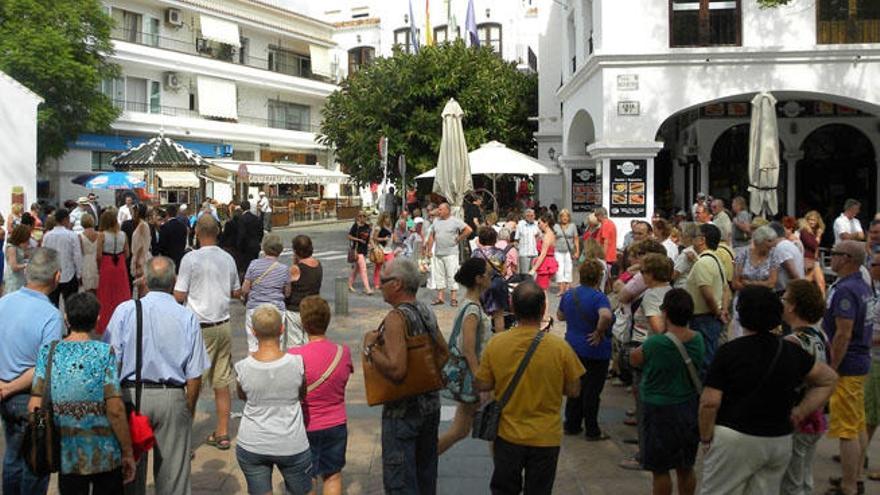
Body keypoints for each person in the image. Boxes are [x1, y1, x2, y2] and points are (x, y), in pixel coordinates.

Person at [698, 285, 837, 494]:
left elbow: (710, 402)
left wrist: (706, 436)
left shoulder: (730, 352)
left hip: (736, 435)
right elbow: (828, 379)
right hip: (778, 438)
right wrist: (800, 412)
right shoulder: (790, 350)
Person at [104, 256, 210, 495]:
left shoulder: (125, 310)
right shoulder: (187, 316)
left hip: (132, 396)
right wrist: (188, 408)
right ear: (174, 281)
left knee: (130, 471)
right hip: (171, 396)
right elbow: (195, 374)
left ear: (146, 281)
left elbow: (110, 361)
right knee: (174, 476)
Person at [476, 281, 585, 494]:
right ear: (543, 309)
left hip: (507, 435)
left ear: (512, 308)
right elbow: (574, 390)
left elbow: (483, 383)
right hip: (546, 437)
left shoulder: (496, 344)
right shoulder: (560, 348)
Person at [28, 292, 136, 492]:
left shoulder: (48, 352)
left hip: (68, 455)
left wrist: (42, 434)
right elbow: (115, 409)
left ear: (66, 319)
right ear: (97, 319)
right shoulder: (104, 352)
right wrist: (128, 451)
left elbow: (34, 406)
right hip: (106, 455)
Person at [362, 259, 450, 494]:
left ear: (397, 284)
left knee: (401, 482)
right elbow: (443, 352)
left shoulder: (395, 318)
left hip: (402, 413)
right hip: (430, 406)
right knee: (425, 478)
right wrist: (424, 379)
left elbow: (397, 369)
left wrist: (370, 348)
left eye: (383, 281)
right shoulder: (425, 309)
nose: (378, 284)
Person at [174, 215, 241, 452]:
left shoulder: (190, 259)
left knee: (192, 382)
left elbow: (180, 295)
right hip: (222, 323)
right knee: (222, 381)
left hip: (198, 326)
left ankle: (184, 440)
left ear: (197, 232)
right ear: (217, 232)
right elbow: (235, 291)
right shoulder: (227, 258)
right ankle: (223, 433)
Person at [0, 248, 63, 495]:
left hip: (5, 395)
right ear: (57, 277)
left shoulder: (4, 302)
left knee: (13, 456)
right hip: (32, 399)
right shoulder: (51, 315)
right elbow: (45, 365)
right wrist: (11, 387)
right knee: (38, 460)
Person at [630, 289, 704, 495]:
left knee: (660, 469)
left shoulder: (656, 343)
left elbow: (635, 358)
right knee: (685, 466)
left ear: (666, 313)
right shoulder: (697, 339)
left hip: (658, 409)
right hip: (688, 407)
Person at [235, 304, 312, 494]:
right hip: (291, 442)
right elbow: (302, 394)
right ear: (282, 329)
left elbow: (242, 395)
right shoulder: (297, 363)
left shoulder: (242, 367)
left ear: (253, 332)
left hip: (252, 442)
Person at [288, 296, 353, 495]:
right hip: (336, 423)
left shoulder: (293, 355)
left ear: (303, 323)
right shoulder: (344, 352)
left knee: (306, 478)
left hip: (305, 424)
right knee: (332, 475)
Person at [825, 240, 874, 495]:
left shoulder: (846, 290)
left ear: (846, 258)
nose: (830, 257)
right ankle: (855, 476)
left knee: (847, 429)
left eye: (834, 254)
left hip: (847, 366)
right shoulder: (861, 286)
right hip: (860, 360)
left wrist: (832, 367)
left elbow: (843, 334)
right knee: (856, 423)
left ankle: (848, 486)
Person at [778, 280, 831, 495]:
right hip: (816, 413)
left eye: (784, 299)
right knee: (804, 477)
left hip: (798, 415)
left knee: (791, 482)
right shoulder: (820, 335)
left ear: (792, 306)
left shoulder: (793, 341)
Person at [438, 258, 493, 454]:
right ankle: (423, 461)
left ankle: (424, 461)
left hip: (473, 375)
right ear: (479, 279)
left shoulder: (471, 304)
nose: (491, 277)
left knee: (460, 430)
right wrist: (480, 378)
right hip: (473, 376)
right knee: (468, 429)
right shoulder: (472, 309)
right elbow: (468, 348)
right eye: (488, 274)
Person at [557, 259, 613, 440]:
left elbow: (560, 315)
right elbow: (605, 315)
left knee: (575, 386)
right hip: (595, 348)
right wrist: (599, 331)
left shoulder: (570, 295)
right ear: (599, 277)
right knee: (592, 390)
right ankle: (592, 429)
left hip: (573, 345)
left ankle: (571, 424)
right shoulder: (599, 297)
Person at [685, 223, 729, 373]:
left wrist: (717, 312)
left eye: (695, 236)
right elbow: (725, 288)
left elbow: (707, 293)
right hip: (711, 317)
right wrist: (722, 310)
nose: (692, 240)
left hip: (703, 318)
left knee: (705, 361)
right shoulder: (715, 260)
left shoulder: (703, 263)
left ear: (702, 239)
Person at [240, 234, 289, 353]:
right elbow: (287, 292)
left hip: (255, 308)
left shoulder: (253, 264)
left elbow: (245, 289)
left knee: (253, 344)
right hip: (276, 309)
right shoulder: (284, 269)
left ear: (264, 247)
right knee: (278, 344)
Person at [731, 225, 779, 339]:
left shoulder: (773, 256)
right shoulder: (743, 254)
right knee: (740, 335)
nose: (771, 248)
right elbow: (735, 283)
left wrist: (749, 283)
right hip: (743, 301)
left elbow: (772, 283)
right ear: (759, 242)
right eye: (768, 244)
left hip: (764, 302)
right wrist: (762, 284)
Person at [425, 202, 472, 306]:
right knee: (439, 275)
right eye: (439, 209)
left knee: (452, 275)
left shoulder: (455, 221)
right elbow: (432, 235)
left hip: (451, 253)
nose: (439, 211)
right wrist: (429, 250)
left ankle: (453, 298)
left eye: (441, 209)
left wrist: (459, 238)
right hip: (438, 252)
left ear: (447, 210)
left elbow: (468, 230)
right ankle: (440, 297)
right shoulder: (436, 221)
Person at [285, 235, 323, 350]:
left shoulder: (295, 269)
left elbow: (287, 292)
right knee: (310, 342)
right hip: (312, 308)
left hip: (296, 309)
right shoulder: (318, 264)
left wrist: (294, 263)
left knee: (295, 344)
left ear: (296, 251)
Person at [95, 210, 131, 333]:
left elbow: (98, 255)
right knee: (121, 294)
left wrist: (99, 266)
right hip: (120, 264)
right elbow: (127, 253)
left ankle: (105, 323)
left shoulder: (102, 235)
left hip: (107, 263)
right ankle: (124, 322)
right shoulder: (123, 234)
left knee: (106, 295)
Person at [41, 208, 83, 307]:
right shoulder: (72, 235)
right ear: (65, 219)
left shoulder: (47, 235)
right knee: (70, 305)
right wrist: (79, 274)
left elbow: (44, 254)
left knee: (52, 304)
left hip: (52, 274)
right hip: (69, 273)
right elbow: (77, 256)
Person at [472, 227, 510, 333]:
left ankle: (483, 339)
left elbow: (473, 271)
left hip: (482, 285)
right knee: (499, 316)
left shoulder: (476, 253)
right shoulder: (501, 253)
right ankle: (499, 342)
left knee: (481, 314)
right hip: (498, 284)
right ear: (495, 239)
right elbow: (504, 271)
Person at [769, 222, 805, 296]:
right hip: (792, 288)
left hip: (787, 290)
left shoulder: (781, 248)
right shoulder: (787, 244)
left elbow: (793, 273)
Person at [800, 210, 827, 296]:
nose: (812, 222)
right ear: (806, 220)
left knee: (820, 283)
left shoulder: (812, 232)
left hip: (814, 260)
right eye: (810, 219)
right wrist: (819, 236)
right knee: (809, 282)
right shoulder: (804, 231)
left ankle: (822, 302)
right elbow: (813, 245)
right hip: (808, 260)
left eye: (814, 220)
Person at [554, 209, 579, 294]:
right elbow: (553, 238)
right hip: (558, 250)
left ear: (569, 217)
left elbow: (576, 239)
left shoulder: (573, 226)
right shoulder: (556, 226)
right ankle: (561, 289)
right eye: (563, 216)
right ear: (560, 217)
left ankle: (567, 288)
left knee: (568, 269)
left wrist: (577, 251)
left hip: (569, 251)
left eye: (566, 216)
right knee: (559, 269)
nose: (564, 218)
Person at [237, 200, 264, 279]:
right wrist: (258, 241)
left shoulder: (242, 219)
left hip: (246, 246)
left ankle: (248, 282)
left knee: (246, 267)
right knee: (255, 263)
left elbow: (241, 234)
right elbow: (261, 231)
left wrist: (239, 245)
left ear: (241, 208)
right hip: (255, 244)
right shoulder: (256, 218)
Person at [347, 211, 373, 294]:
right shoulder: (356, 226)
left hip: (364, 250)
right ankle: (367, 288)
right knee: (363, 269)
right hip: (357, 251)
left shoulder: (368, 227)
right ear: (358, 217)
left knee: (356, 270)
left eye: (364, 216)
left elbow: (369, 238)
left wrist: (372, 246)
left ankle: (349, 284)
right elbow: (349, 236)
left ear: (366, 217)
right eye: (360, 216)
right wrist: (358, 240)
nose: (362, 218)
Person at [158, 204, 188, 273]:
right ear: (176, 213)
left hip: (168, 259)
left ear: (167, 214)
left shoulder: (165, 227)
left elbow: (162, 245)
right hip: (179, 258)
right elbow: (184, 242)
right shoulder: (182, 226)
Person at [3, 224, 30, 294]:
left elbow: (22, 256)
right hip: (13, 278)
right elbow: (14, 267)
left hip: (19, 276)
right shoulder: (12, 248)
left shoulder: (17, 246)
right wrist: (26, 265)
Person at [129, 203, 151, 287]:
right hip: (140, 256)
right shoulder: (142, 224)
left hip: (140, 258)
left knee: (141, 285)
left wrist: (137, 261)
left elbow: (141, 245)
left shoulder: (142, 225)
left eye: (134, 212)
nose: (132, 214)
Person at [672, 222, 700, 289]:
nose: (679, 237)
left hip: (682, 288)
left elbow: (673, 275)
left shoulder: (686, 253)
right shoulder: (696, 249)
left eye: (681, 235)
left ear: (688, 237)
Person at [372, 212, 394, 289]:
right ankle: (377, 283)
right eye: (386, 218)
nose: (388, 219)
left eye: (388, 218)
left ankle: (386, 282)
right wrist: (383, 239)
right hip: (381, 249)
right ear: (383, 219)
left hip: (389, 249)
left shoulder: (390, 226)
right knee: (378, 267)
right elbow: (374, 238)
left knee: (390, 266)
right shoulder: (379, 227)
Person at [515, 208, 540, 275]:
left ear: (534, 216)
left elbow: (540, 237)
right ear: (525, 216)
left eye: (532, 215)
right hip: (524, 254)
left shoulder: (537, 224)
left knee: (534, 275)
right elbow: (516, 239)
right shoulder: (520, 224)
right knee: (524, 276)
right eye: (528, 216)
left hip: (535, 253)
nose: (530, 217)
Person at [79, 213, 99, 293]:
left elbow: (80, 252)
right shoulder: (99, 234)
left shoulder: (80, 236)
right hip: (97, 260)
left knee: (88, 288)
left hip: (86, 261)